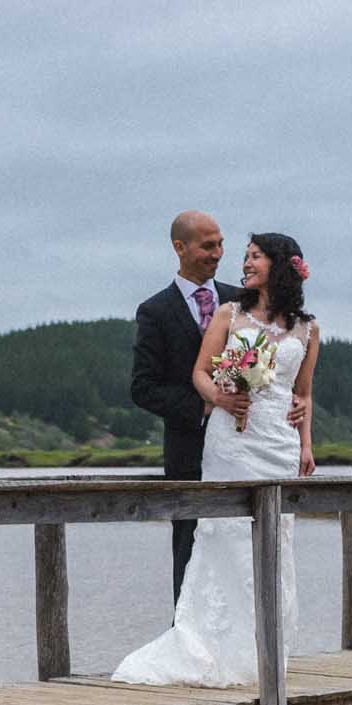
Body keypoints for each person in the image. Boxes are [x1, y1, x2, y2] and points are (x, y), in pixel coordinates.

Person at [114, 232, 322, 686]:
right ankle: (212, 645)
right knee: (222, 537)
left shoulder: (306, 327)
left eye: (253, 256)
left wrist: (306, 441)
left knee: (277, 538)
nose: (240, 262)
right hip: (230, 441)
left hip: (278, 445)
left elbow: (302, 392)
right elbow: (198, 372)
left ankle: (267, 649)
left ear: (281, 266)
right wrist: (219, 400)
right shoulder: (229, 313)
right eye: (240, 254)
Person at [129, 211, 247, 598]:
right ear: (180, 248)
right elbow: (143, 388)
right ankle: (187, 643)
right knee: (190, 550)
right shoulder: (155, 311)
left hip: (244, 450)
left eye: (221, 244)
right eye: (208, 246)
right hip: (188, 454)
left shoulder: (242, 302)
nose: (218, 253)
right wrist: (205, 407)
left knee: (242, 548)